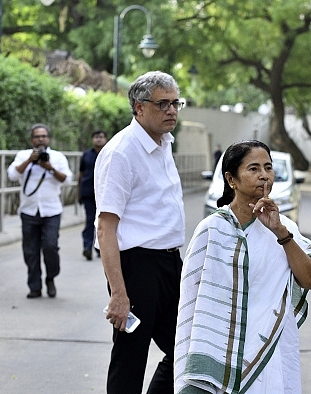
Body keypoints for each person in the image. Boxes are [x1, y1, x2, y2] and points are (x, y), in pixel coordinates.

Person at [174, 140, 311, 393]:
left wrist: (280, 233)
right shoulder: (212, 229)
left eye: (268, 167)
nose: (264, 175)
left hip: (266, 353)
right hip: (214, 353)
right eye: (253, 169)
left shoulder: (285, 228)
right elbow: (191, 302)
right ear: (231, 179)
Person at [95, 71, 186, 393]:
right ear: (139, 107)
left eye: (176, 103)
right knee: (130, 357)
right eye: (163, 104)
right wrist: (119, 294)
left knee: (187, 350)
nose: (172, 110)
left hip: (169, 262)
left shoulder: (164, 143)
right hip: (136, 266)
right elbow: (106, 227)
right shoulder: (121, 152)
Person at [7, 123, 73, 298]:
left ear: (48, 138)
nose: (40, 139)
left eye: (43, 136)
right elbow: (12, 175)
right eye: (37, 136)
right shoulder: (23, 155)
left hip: (52, 211)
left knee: (50, 246)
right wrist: (29, 160)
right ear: (31, 140)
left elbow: (67, 180)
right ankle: (34, 287)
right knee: (30, 250)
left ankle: (51, 277)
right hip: (28, 211)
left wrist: (49, 167)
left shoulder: (57, 157)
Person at [77, 130, 107, 261]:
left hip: (105, 194)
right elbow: (81, 174)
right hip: (88, 194)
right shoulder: (86, 155)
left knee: (103, 222)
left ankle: (100, 248)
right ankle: (87, 247)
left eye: (101, 137)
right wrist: (78, 192)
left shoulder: (109, 153)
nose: (98, 139)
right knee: (90, 221)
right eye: (96, 137)